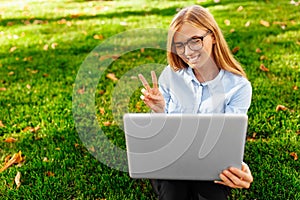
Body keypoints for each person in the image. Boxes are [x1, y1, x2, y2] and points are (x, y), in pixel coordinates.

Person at [138, 5, 253, 200]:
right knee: (174, 194)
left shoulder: (238, 86)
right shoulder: (171, 75)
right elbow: (159, 135)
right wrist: (159, 111)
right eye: (179, 45)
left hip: (211, 162)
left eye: (195, 41)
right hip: (171, 160)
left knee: (210, 194)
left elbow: (230, 139)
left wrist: (238, 165)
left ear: (213, 36)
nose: (188, 52)